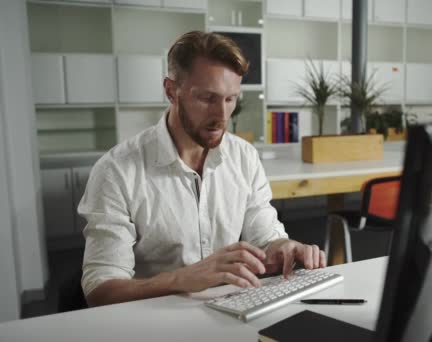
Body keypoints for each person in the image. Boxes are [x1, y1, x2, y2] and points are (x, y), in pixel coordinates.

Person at [79, 31, 326, 307]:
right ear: (172, 91)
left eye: (231, 99)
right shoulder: (116, 171)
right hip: (153, 322)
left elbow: (266, 237)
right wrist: (182, 279)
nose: (221, 116)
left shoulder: (244, 156)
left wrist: (284, 247)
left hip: (231, 312)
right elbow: (100, 292)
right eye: (207, 98)